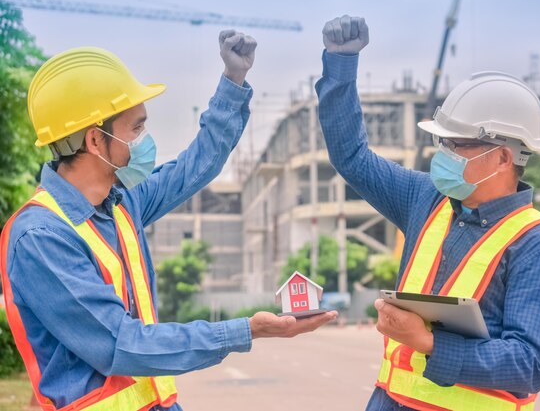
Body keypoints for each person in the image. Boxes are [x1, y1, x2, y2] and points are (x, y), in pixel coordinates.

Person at [0, 31, 336, 411]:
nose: (145, 140)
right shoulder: (40, 237)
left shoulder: (122, 204)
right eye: (137, 128)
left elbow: (196, 164)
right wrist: (247, 329)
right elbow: (120, 343)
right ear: (95, 141)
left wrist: (233, 81)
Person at [316, 15, 540, 411]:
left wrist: (427, 342)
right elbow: (351, 157)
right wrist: (340, 66)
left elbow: (530, 364)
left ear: (503, 157)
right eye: (443, 142)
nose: (444, 155)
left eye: (456, 145)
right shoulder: (427, 198)